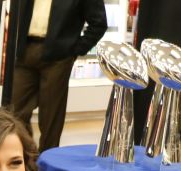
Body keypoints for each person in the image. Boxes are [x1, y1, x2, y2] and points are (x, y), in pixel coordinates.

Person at [10, 0, 108, 151]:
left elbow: (99, 23)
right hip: (23, 51)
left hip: (58, 58)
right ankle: (22, 158)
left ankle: (46, 164)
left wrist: (74, 50)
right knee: (15, 112)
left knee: (50, 118)